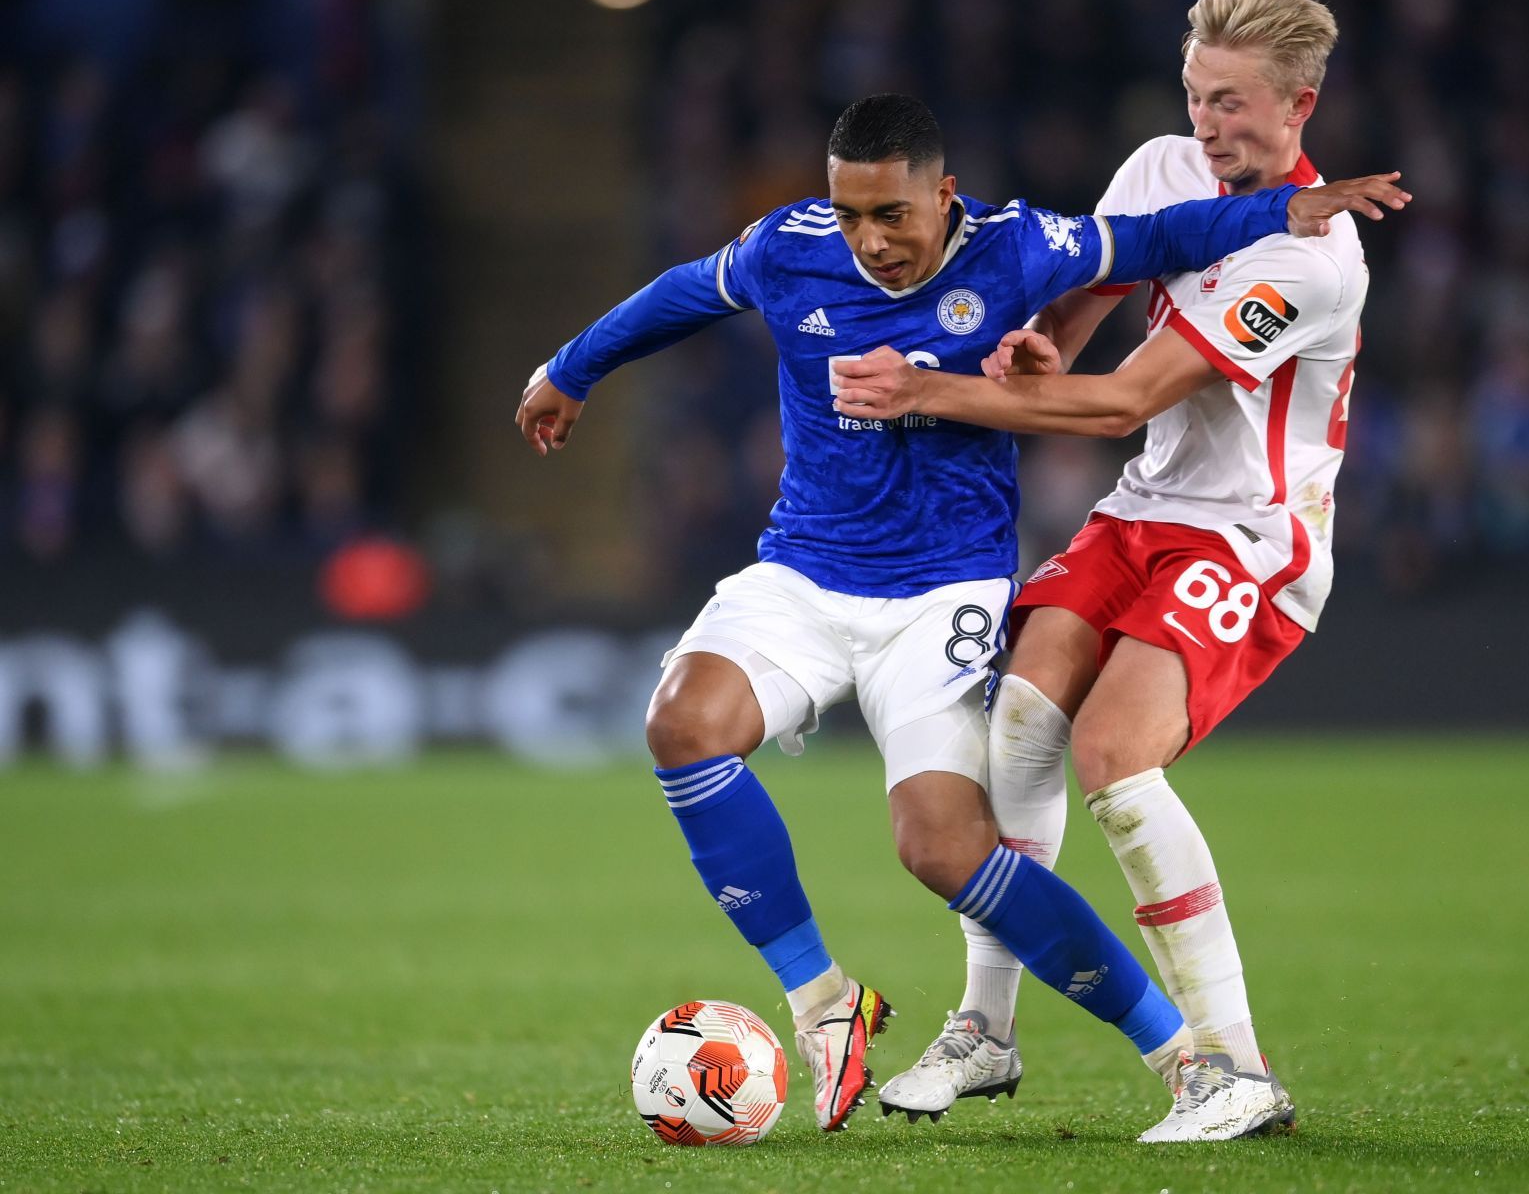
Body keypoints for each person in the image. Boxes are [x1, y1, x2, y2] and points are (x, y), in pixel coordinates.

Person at [513, 91, 1409, 1134]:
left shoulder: (1018, 246)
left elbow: (1158, 236)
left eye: (892, 214)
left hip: (944, 591)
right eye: (851, 215)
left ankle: (1184, 1057)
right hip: (802, 569)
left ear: (943, 196)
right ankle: (824, 1003)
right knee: (682, 722)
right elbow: (682, 291)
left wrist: (1290, 212)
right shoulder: (789, 247)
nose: (871, 241)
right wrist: (567, 368)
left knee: (941, 846)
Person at [835, 0, 1389, 1142]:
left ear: (1301, 102)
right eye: (1196, 96)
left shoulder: (1319, 254)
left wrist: (931, 390)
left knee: (1113, 758)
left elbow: (1127, 399)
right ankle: (986, 1029)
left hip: (1253, 531)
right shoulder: (1160, 168)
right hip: (1144, 509)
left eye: (1233, 103)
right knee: (1019, 720)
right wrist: (1041, 343)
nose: (1209, 125)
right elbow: (1088, 307)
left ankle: (1235, 1066)